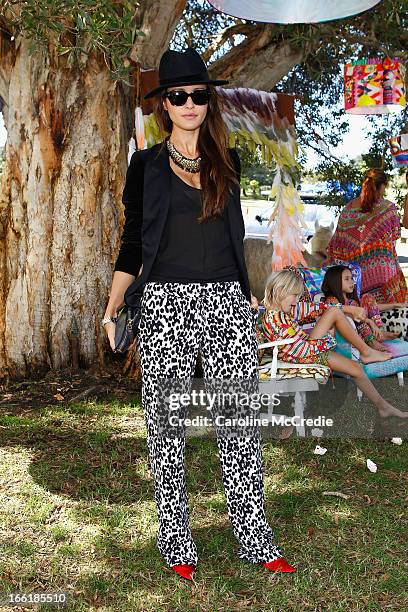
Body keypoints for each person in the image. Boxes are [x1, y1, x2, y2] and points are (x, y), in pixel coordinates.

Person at [102, 48, 295, 581]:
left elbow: (232, 239)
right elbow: (132, 240)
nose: (189, 103)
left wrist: (246, 296)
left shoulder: (227, 163)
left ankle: (255, 540)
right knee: (167, 427)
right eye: (177, 96)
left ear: (209, 102)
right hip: (166, 305)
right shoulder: (145, 166)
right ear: (164, 105)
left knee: (239, 425)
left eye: (198, 95)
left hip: (227, 305)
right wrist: (116, 301)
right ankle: (176, 541)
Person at [256, 269, 408, 421]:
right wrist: (328, 340)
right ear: (281, 290)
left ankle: (383, 407)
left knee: (355, 367)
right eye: (294, 296)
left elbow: (314, 308)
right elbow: (298, 351)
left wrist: (348, 309)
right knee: (334, 313)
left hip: (305, 350)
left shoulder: (284, 309)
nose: (296, 301)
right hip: (301, 356)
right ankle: (366, 352)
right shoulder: (274, 319)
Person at [326, 169, 407, 304]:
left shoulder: (348, 210)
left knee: (363, 315)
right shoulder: (388, 209)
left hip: (357, 276)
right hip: (384, 273)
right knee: (389, 315)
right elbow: (394, 238)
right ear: (382, 186)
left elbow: (337, 245)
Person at [321, 265, 402, 351]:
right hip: (350, 337)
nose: (351, 282)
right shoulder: (331, 300)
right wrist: (369, 321)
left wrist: (396, 305)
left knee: (367, 298)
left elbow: (373, 308)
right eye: (347, 279)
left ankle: (379, 333)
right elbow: (334, 310)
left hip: (363, 332)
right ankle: (372, 341)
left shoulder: (352, 301)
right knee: (355, 311)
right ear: (335, 282)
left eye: (352, 278)